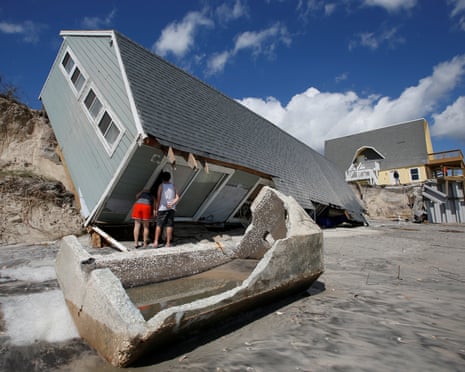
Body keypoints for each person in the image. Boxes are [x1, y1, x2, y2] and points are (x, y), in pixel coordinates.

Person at [153, 171, 179, 248]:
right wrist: (172, 203)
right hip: (171, 209)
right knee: (169, 225)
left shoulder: (161, 186)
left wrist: (156, 209)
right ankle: (168, 243)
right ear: (169, 178)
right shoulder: (173, 186)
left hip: (162, 208)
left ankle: (156, 242)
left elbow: (158, 198)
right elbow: (177, 197)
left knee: (159, 225)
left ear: (162, 178)